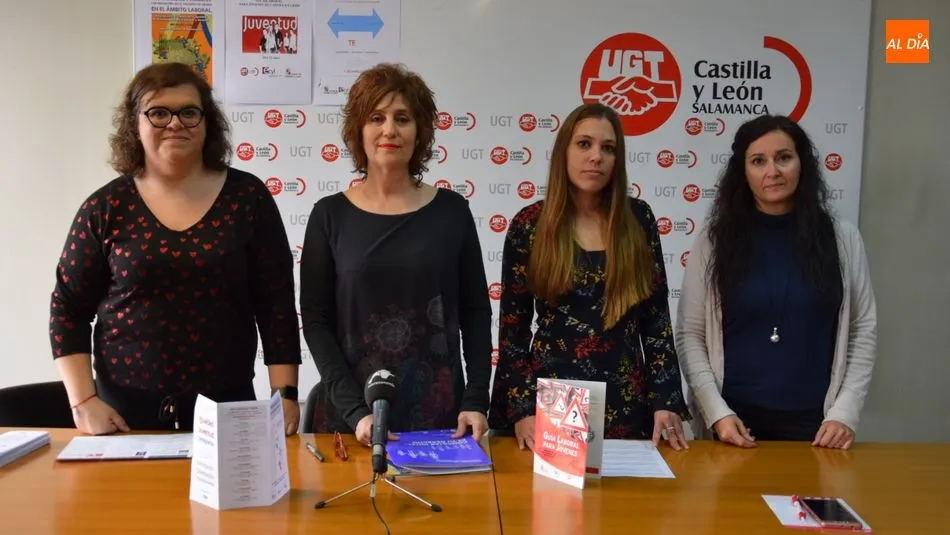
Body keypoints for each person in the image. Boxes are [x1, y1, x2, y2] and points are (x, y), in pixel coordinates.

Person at [48, 62, 301, 436]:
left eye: (189, 112)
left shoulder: (248, 199)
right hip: (124, 414)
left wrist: (286, 395)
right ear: (135, 124)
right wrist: (83, 402)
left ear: (207, 121)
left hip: (229, 406)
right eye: (159, 113)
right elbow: (68, 308)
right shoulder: (105, 208)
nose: (175, 123)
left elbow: (276, 305)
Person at [299, 63, 493, 446]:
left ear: (419, 130)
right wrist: (356, 412)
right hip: (350, 420)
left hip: (443, 418)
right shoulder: (329, 215)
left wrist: (476, 399)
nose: (389, 129)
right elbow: (316, 321)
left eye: (402, 118)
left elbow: (475, 311)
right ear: (359, 129)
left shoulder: (452, 211)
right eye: (376, 117)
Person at [487, 103, 691, 451]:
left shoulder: (638, 220)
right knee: (554, 505)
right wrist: (522, 410)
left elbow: (656, 322)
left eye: (608, 148)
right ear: (564, 151)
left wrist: (666, 400)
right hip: (552, 404)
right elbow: (513, 331)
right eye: (584, 144)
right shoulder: (529, 225)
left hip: (626, 403)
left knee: (627, 505)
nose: (596, 156)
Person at [675, 114, 877, 450]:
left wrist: (845, 413)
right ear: (743, 171)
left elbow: (862, 329)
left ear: (803, 163)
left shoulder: (841, 239)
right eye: (758, 161)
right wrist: (716, 413)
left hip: (818, 429)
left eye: (784, 158)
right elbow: (690, 334)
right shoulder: (715, 241)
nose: (773, 171)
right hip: (731, 426)